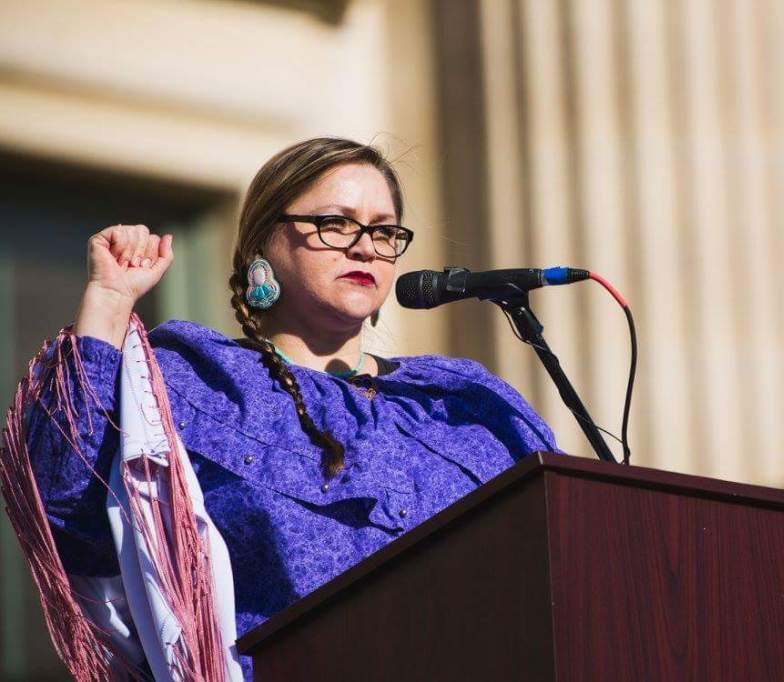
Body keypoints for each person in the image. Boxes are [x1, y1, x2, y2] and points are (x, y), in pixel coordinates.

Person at [11, 137, 559, 680]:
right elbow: (67, 509)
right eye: (336, 223)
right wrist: (108, 303)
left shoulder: (462, 403)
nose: (366, 246)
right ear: (262, 247)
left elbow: (565, 555)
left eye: (385, 230)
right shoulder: (190, 380)